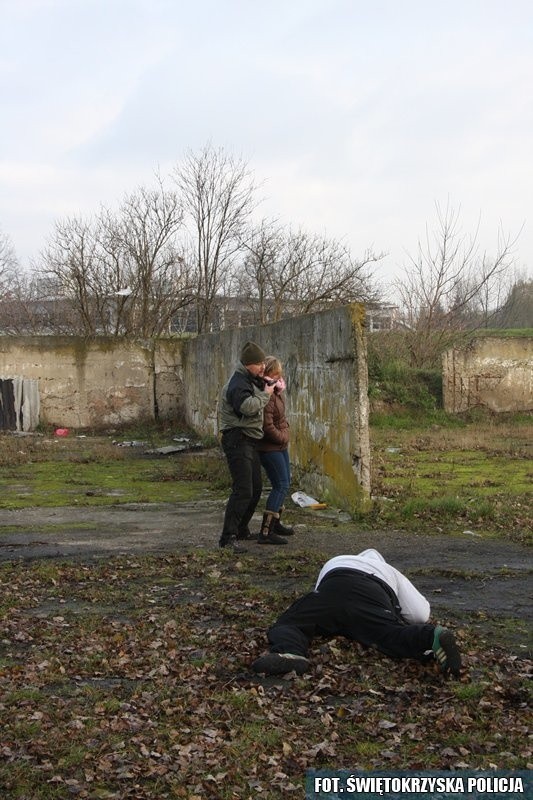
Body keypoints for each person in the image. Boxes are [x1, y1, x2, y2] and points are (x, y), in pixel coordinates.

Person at [251, 549, 462, 677]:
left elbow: (318, 591)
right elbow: (419, 613)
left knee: (292, 623)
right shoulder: (390, 571)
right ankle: (430, 636)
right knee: (390, 636)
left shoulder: (337, 558)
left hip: (333, 586)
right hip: (373, 594)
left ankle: (290, 651)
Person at [218, 341, 275, 552]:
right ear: (248, 363)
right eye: (259, 363)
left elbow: (256, 394)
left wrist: (267, 385)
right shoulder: (237, 383)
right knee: (243, 490)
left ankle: (241, 529)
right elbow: (247, 406)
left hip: (248, 440)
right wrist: (266, 394)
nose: (262, 367)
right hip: (237, 439)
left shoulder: (248, 379)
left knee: (256, 488)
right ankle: (227, 537)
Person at [256, 356, 294, 545]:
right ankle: (266, 531)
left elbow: (279, 419)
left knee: (286, 481)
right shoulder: (267, 394)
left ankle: (276, 522)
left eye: (280, 373)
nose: (279, 376)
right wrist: (282, 436)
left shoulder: (275, 391)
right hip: (270, 447)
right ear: (268, 373)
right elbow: (267, 425)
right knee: (281, 484)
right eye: (275, 373)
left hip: (279, 446)